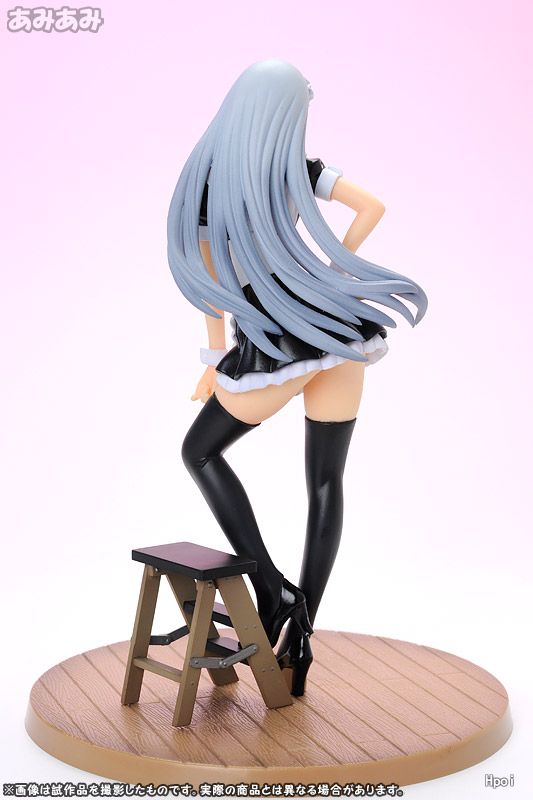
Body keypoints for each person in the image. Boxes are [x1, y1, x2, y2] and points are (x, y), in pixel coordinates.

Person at [167, 58, 428, 695]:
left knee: (200, 451)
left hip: (278, 344)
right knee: (326, 481)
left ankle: (271, 587)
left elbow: (212, 285)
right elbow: (372, 206)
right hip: (340, 332)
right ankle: (301, 632)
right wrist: (332, 274)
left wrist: (212, 362)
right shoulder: (298, 171)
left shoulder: (212, 185)